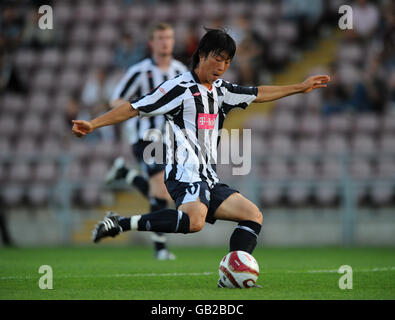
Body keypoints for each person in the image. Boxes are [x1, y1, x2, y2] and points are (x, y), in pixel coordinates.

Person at [72, 28, 330, 286]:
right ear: (202, 55)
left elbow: (258, 93)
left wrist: (300, 87)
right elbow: (134, 107)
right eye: (218, 58)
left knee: (253, 215)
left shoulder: (222, 91)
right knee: (194, 222)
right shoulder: (178, 88)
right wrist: (94, 124)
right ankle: (121, 223)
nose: (222, 66)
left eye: (228, 61)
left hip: (208, 177)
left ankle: (231, 276)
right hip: (182, 173)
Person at [104, 23, 187, 260]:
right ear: (152, 43)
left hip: (171, 140)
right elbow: (115, 101)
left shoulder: (180, 71)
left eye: (169, 38)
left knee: (163, 192)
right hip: (145, 137)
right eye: (160, 38)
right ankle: (160, 248)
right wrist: (142, 108)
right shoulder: (139, 72)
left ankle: (125, 175)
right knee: (161, 186)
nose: (165, 42)